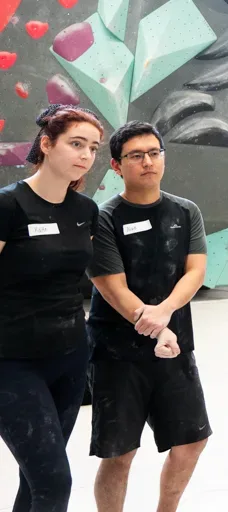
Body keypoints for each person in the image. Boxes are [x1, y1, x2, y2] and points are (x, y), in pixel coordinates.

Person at [85, 121, 211, 512]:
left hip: (175, 347)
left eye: (154, 153)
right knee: (119, 452)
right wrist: (156, 327)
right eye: (136, 155)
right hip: (117, 353)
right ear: (116, 165)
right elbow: (113, 287)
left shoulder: (186, 211)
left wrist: (166, 312)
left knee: (192, 441)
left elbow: (195, 271)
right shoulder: (103, 218)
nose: (148, 162)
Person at [0, 104, 102, 512]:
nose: (85, 155)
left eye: (92, 148)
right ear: (46, 144)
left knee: (36, 480)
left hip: (70, 359)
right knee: (54, 482)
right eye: (76, 144)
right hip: (12, 363)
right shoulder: (8, 205)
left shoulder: (85, 210)